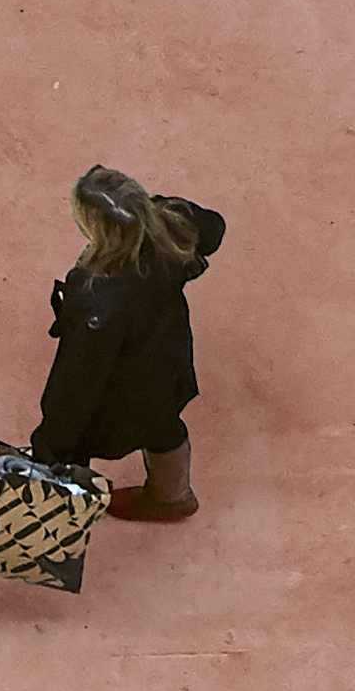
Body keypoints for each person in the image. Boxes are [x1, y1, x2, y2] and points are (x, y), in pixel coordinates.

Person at [28, 167, 228, 520]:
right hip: (168, 363)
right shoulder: (172, 230)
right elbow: (213, 227)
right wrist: (162, 210)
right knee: (164, 426)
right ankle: (172, 497)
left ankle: (68, 510)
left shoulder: (96, 297)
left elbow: (78, 378)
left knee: (75, 445)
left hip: (120, 393)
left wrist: (50, 442)